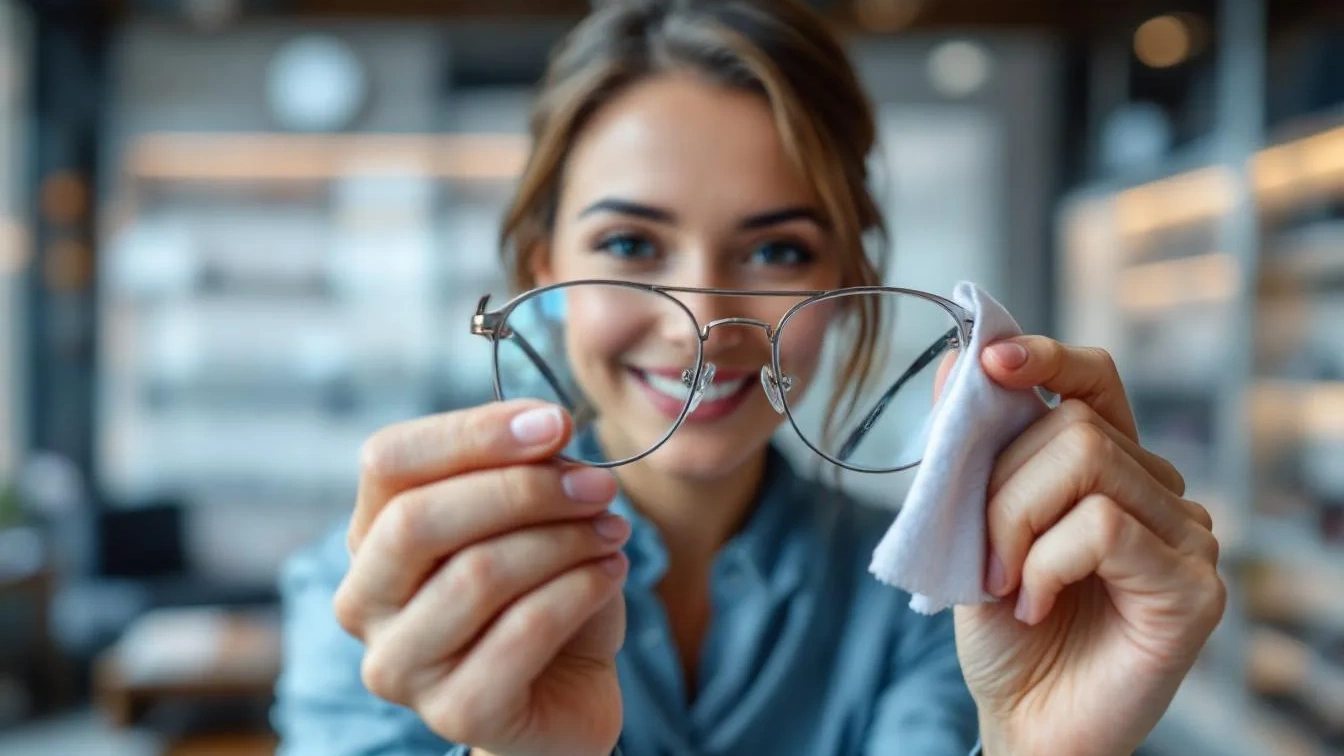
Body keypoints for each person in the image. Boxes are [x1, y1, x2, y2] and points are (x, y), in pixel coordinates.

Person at [270, 1, 1226, 754]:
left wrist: (1031, 749)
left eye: (775, 250)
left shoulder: (950, 604)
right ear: (540, 272)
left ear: (847, 286)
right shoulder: (384, 591)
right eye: (631, 243)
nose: (703, 329)